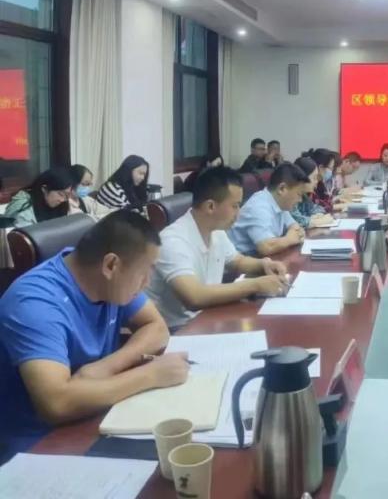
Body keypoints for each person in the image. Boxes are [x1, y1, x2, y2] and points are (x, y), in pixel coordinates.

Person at [0, 211, 187, 461]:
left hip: (97, 414)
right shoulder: (35, 303)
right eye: (145, 271)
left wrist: (103, 368)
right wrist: (151, 375)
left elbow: (156, 326)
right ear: (111, 265)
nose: (147, 282)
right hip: (39, 445)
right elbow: (56, 404)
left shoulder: (103, 278)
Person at [146, 167, 289, 329]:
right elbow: (194, 297)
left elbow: (237, 261)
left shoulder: (216, 231)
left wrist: (264, 264)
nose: (239, 213)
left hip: (208, 317)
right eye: (235, 206)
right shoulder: (173, 241)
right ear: (210, 207)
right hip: (178, 330)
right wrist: (255, 285)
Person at [228, 163, 308, 256]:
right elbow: (266, 247)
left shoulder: (280, 204)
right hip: (241, 260)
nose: (300, 200)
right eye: (299, 194)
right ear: (282, 189)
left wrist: (294, 235)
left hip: (261, 258)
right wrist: (290, 239)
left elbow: (295, 227)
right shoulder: (258, 207)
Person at [4, 168, 73, 228]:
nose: (62, 200)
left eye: (66, 195)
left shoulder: (63, 204)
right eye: (60, 194)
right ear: (44, 189)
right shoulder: (24, 204)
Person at [290, 157, 336, 229]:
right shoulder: (290, 197)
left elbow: (315, 208)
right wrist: (317, 221)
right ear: (302, 178)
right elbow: (297, 221)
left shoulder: (304, 195)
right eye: (314, 178)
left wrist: (317, 214)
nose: (316, 181)